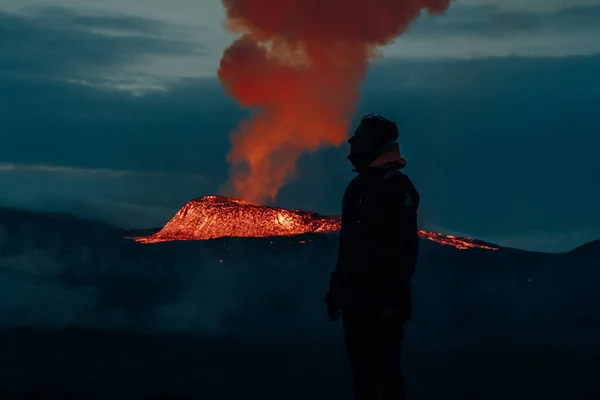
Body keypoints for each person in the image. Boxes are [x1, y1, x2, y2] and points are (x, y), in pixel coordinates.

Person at [325, 115, 420, 400]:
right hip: (356, 302)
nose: (351, 141)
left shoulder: (396, 187)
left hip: (380, 304)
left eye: (359, 136)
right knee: (364, 379)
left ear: (378, 143)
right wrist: (337, 291)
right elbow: (350, 246)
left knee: (384, 376)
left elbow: (404, 247)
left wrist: (392, 300)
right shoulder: (358, 188)